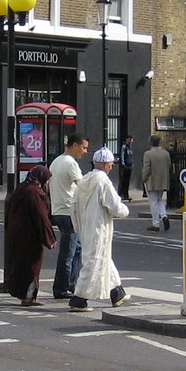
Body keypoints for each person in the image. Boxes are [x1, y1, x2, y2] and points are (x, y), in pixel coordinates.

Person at [69, 146, 130, 311]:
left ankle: (117, 292)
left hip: (86, 226)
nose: (112, 167)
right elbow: (114, 206)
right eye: (111, 164)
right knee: (94, 261)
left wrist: (78, 225)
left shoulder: (84, 180)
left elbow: (73, 206)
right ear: (105, 164)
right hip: (99, 228)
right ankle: (79, 299)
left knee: (103, 258)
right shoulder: (103, 181)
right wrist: (125, 210)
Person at [3, 165, 56, 306]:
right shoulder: (35, 193)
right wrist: (49, 238)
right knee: (32, 266)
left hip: (16, 233)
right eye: (47, 180)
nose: (48, 183)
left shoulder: (21, 188)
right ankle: (28, 296)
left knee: (20, 264)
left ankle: (24, 295)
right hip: (29, 235)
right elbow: (41, 216)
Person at [48, 133, 88, 299]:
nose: (85, 151)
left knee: (77, 249)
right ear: (75, 145)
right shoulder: (71, 163)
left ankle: (72, 284)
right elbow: (83, 186)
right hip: (69, 212)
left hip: (58, 210)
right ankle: (61, 288)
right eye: (84, 147)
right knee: (68, 253)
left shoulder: (56, 161)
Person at [141, 135, 172, 232]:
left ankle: (155, 224)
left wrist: (143, 178)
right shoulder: (166, 153)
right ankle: (164, 216)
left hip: (152, 181)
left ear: (150, 143)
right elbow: (169, 165)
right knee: (159, 199)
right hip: (162, 180)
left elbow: (146, 168)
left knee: (153, 202)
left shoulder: (148, 154)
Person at [118, 135, 135, 200]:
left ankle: (126, 195)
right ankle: (120, 195)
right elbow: (122, 155)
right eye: (130, 139)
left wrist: (132, 163)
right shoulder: (124, 146)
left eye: (132, 140)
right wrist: (123, 164)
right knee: (122, 180)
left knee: (127, 181)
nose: (131, 141)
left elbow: (131, 156)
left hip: (129, 166)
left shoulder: (130, 147)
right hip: (124, 166)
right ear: (127, 139)